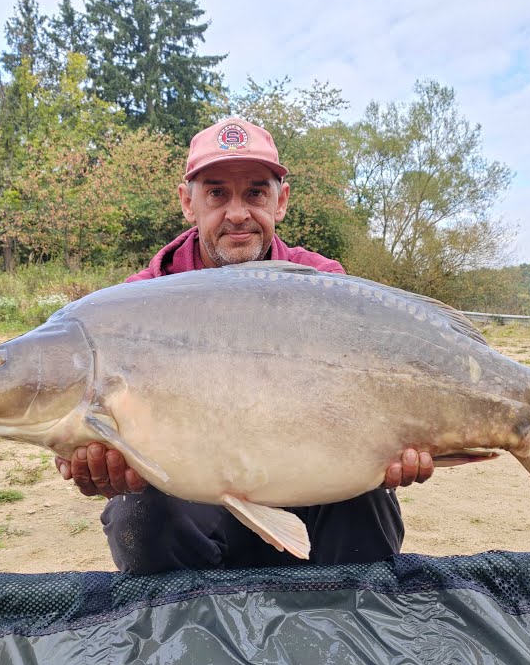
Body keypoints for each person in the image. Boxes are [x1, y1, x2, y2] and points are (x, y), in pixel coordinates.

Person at [54, 117, 434, 574]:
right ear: (187, 203)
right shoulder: (134, 303)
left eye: (255, 193)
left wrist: (407, 444)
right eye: (217, 193)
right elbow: (82, 422)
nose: (237, 213)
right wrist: (90, 460)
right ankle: (190, 636)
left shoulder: (327, 286)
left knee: (368, 499)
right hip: (196, 500)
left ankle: (341, 632)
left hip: (315, 485)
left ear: (281, 201)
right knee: (138, 513)